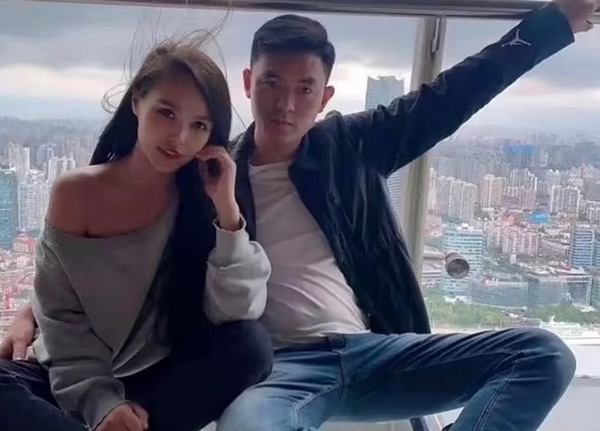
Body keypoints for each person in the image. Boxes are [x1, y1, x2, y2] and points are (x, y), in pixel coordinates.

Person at [2, 1, 597, 430]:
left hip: (375, 351)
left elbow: (452, 94)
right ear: (248, 83)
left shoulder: (352, 146)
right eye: (271, 83)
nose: (286, 103)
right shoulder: (209, 176)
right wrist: (33, 311)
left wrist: (550, 26)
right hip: (278, 368)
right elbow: (116, 252)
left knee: (544, 355)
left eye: (305, 88)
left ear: (326, 96)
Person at [0, 36, 273, 431]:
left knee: (252, 347)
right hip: (72, 379)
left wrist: (227, 212)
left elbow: (235, 314)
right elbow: (61, 317)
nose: (180, 137)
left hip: (155, 383)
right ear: (136, 102)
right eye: (166, 113)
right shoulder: (77, 193)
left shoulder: (205, 199)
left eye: (199, 125)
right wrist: (102, 404)